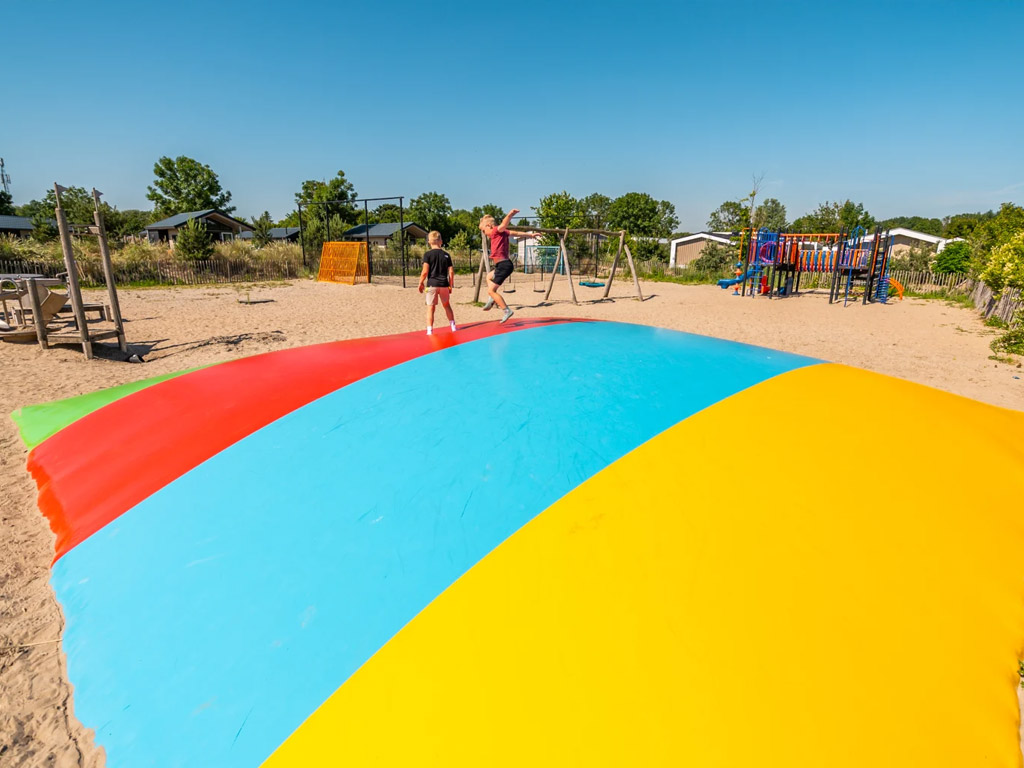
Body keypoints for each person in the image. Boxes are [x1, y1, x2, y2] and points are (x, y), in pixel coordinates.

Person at [478, 209, 542, 324]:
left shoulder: (496, 231)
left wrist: (510, 215)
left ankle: (506, 310)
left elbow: (503, 224)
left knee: (491, 290)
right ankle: (492, 298)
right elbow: (516, 233)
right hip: (502, 265)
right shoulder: (502, 233)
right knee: (488, 277)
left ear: (489, 226)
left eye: (483, 230)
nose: (484, 233)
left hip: (503, 265)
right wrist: (531, 235)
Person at [418, 231, 457, 335]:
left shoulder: (428, 255)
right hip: (444, 284)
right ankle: (453, 326)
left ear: (429, 242)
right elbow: (451, 272)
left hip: (432, 284)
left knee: (430, 307)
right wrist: (450, 285)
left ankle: (430, 330)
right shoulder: (446, 255)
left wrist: (420, 282)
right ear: (441, 241)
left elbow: (425, 271)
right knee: (447, 305)